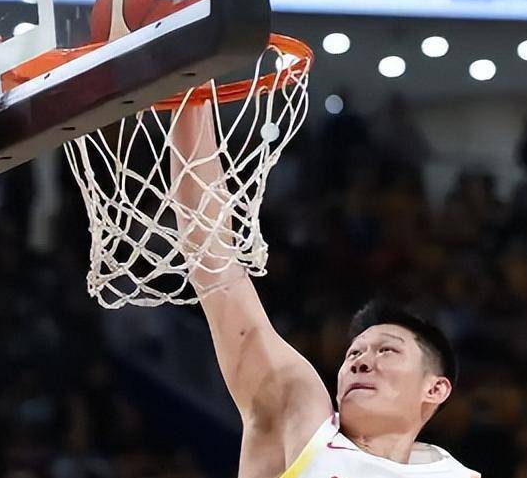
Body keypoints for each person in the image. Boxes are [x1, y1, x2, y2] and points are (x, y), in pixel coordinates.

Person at [167, 100, 479, 478]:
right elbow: (217, 271)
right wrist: (190, 98)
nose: (361, 362)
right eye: (354, 353)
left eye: (387, 351)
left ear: (435, 389)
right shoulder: (303, 419)